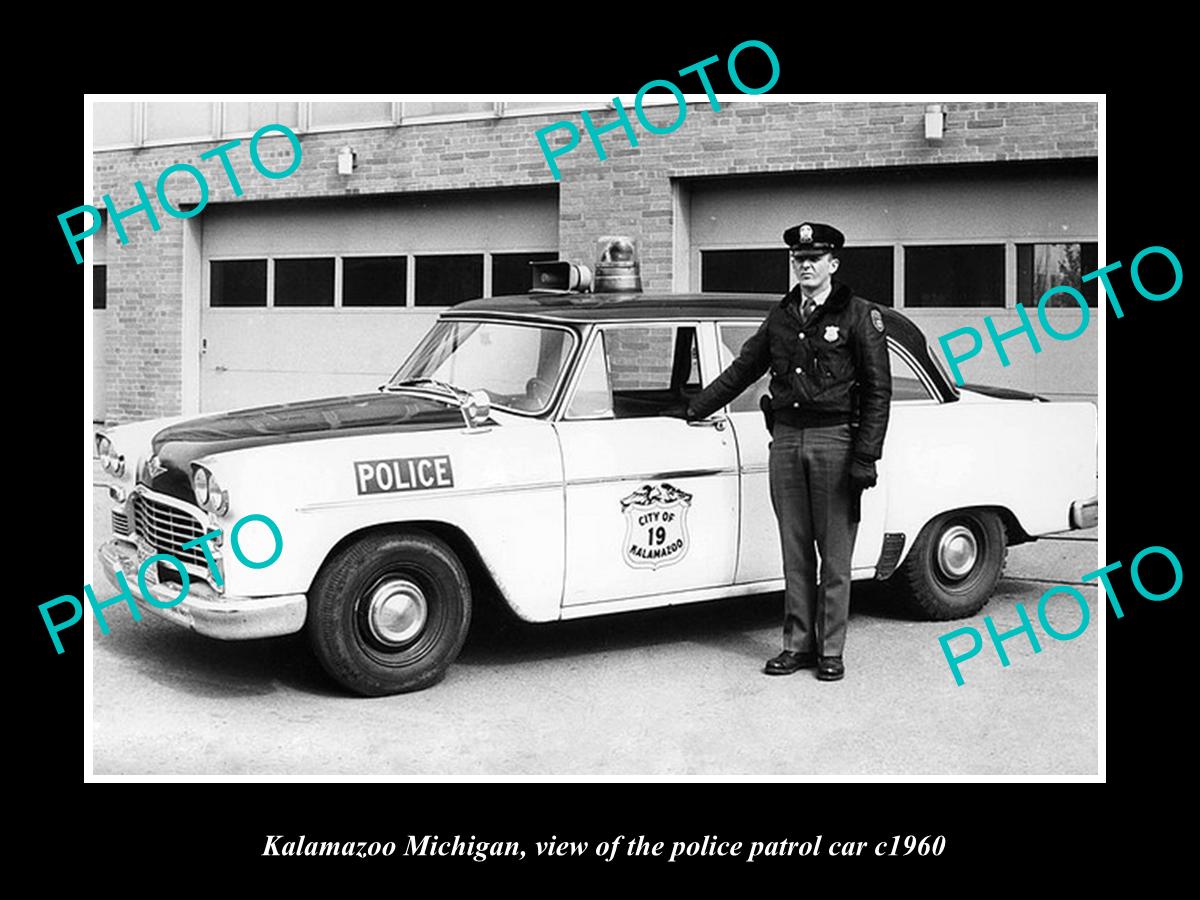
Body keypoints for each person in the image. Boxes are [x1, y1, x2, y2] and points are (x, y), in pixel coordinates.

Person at [663, 222, 891, 681]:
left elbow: (878, 392)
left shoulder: (858, 315)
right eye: (798, 260)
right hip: (786, 439)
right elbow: (744, 369)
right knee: (794, 551)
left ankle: (831, 650)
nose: (805, 266)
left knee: (835, 554)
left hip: (835, 441)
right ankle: (797, 645)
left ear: (833, 264)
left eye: (814, 258)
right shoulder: (782, 316)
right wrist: (694, 408)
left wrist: (866, 457)